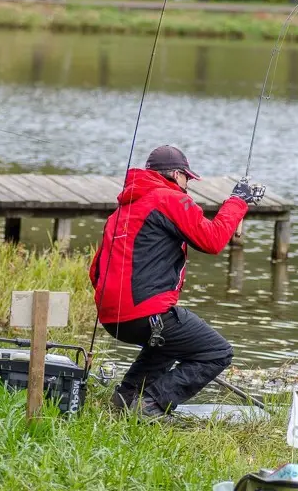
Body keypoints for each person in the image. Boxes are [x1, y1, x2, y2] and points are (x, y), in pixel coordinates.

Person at [90, 145, 265, 418]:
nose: (188, 186)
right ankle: (151, 404)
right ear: (175, 174)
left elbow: (96, 270)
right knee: (217, 352)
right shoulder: (168, 198)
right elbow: (213, 240)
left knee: (170, 342)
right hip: (144, 313)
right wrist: (236, 202)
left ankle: (126, 398)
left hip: (111, 317)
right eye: (187, 178)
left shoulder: (122, 210)